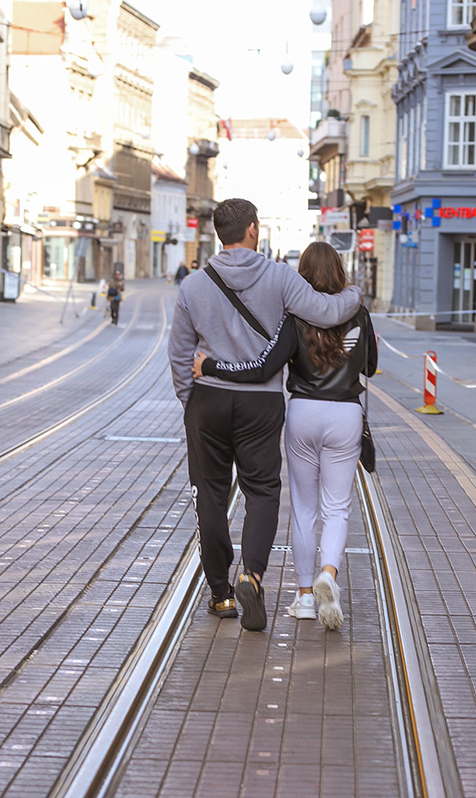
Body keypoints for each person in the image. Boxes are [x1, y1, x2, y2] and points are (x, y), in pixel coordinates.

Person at [167, 199, 361, 631]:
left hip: (208, 400)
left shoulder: (193, 286)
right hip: (260, 402)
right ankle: (252, 574)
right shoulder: (280, 278)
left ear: (220, 233)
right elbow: (327, 313)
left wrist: (191, 402)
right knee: (262, 492)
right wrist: (356, 293)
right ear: (253, 230)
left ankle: (220, 594)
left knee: (210, 495)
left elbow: (180, 354)